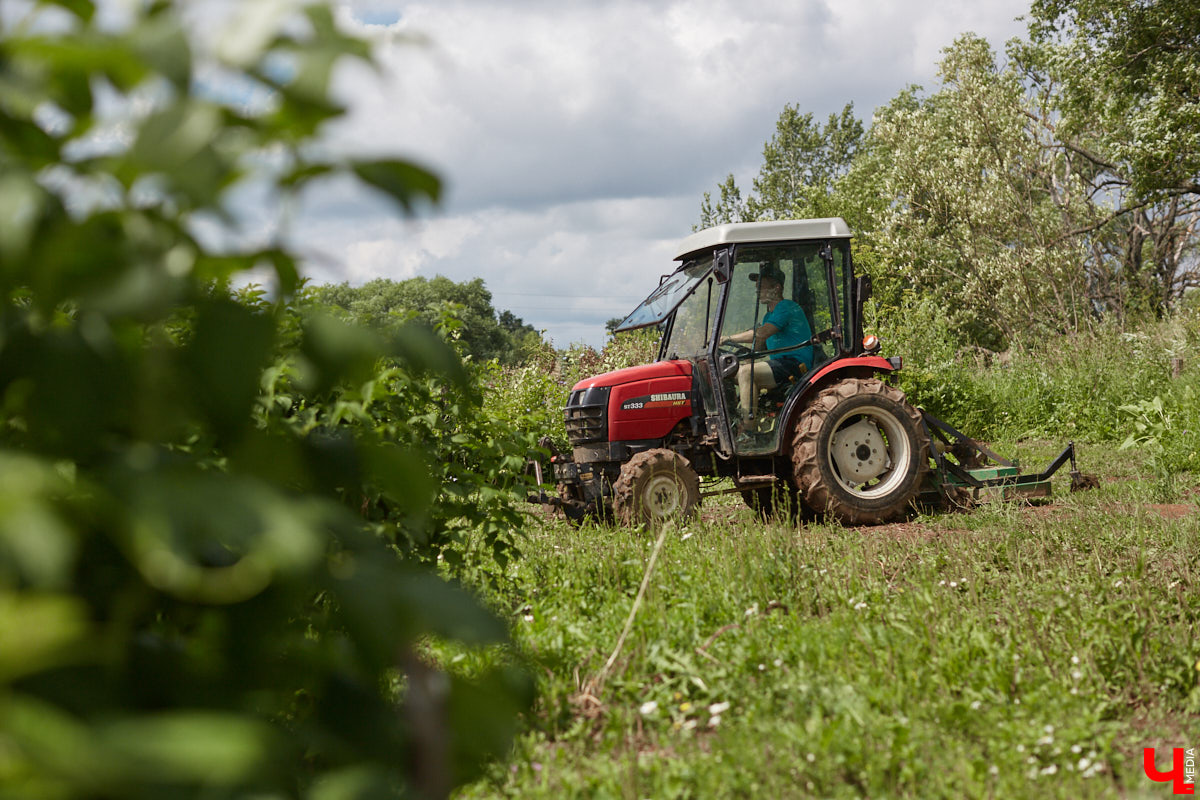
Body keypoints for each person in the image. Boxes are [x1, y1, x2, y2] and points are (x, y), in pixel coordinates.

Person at [722, 263, 812, 431]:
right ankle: (733, 420)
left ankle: (747, 430)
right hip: (780, 364)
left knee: (747, 373)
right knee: (731, 371)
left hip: (795, 364)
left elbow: (762, 333)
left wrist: (727, 338)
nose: (757, 291)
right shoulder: (768, 315)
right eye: (757, 287)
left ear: (777, 288)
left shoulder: (786, 307)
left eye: (761, 287)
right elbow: (759, 345)